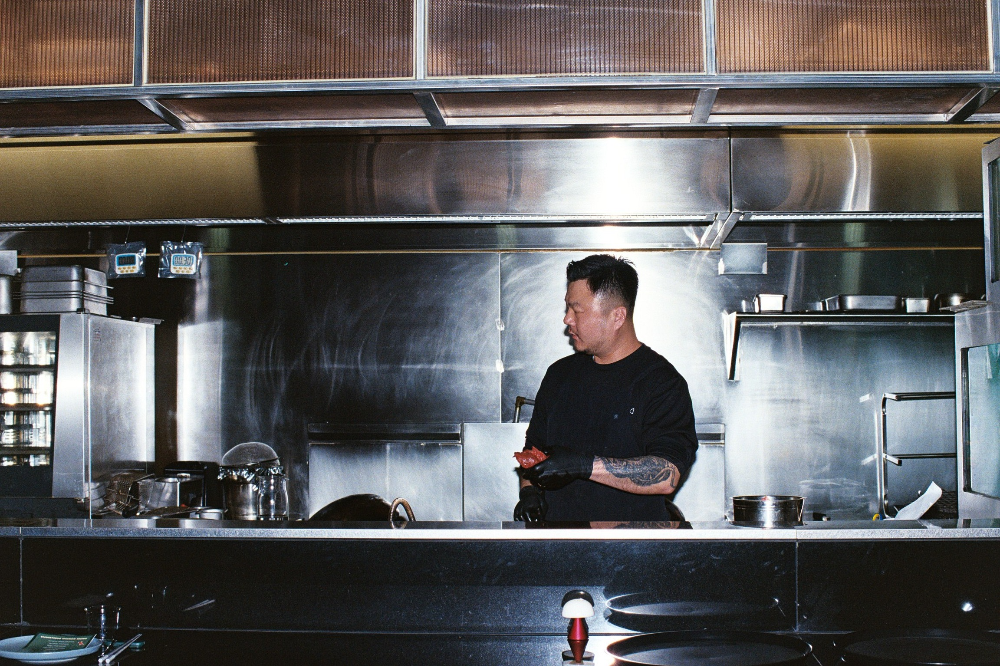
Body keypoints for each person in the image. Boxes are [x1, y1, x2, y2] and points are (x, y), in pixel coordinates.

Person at [514, 254, 698, 522]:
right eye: (567, 308)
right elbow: (533, 451)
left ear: (617, 316)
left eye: (577, 310)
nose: (567, 319)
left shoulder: (661, 383)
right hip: (558, 540)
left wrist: (583, 465)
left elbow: (667, 474)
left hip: (632, 543)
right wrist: (529, 491)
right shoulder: (558, 375)